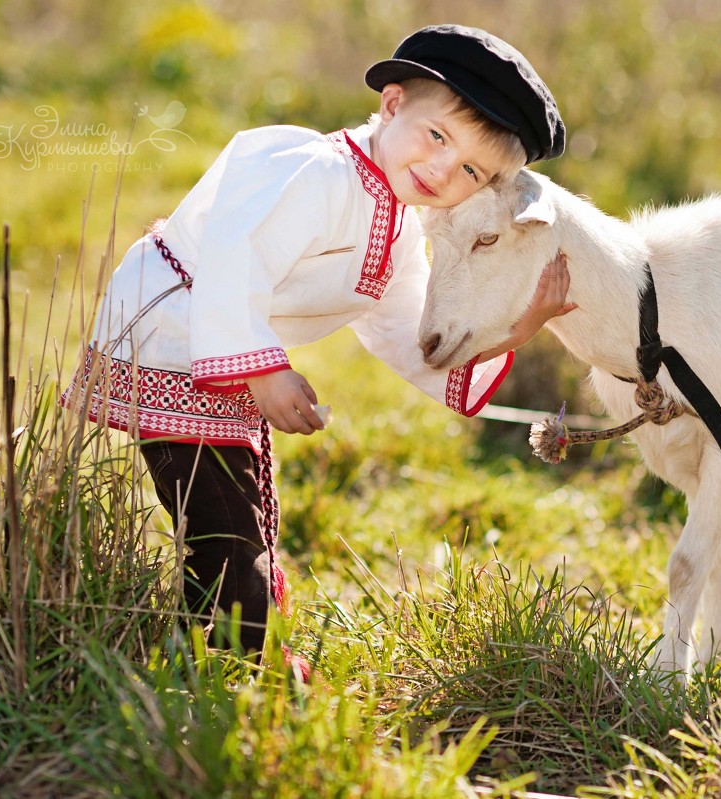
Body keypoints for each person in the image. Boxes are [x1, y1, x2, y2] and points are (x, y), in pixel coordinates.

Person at [61, 24, 573, 664]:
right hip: (170, 333)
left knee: (231, 507)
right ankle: (230, 671)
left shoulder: (395, 220)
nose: (443, 169)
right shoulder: (319, 173)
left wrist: (520, 329)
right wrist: (265, 372)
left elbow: (409, 329)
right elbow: (235, 251)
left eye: (471, 168)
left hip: (219, 351)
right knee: (223, 522)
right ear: (391, 106)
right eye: (436, 136)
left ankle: (234, 656)